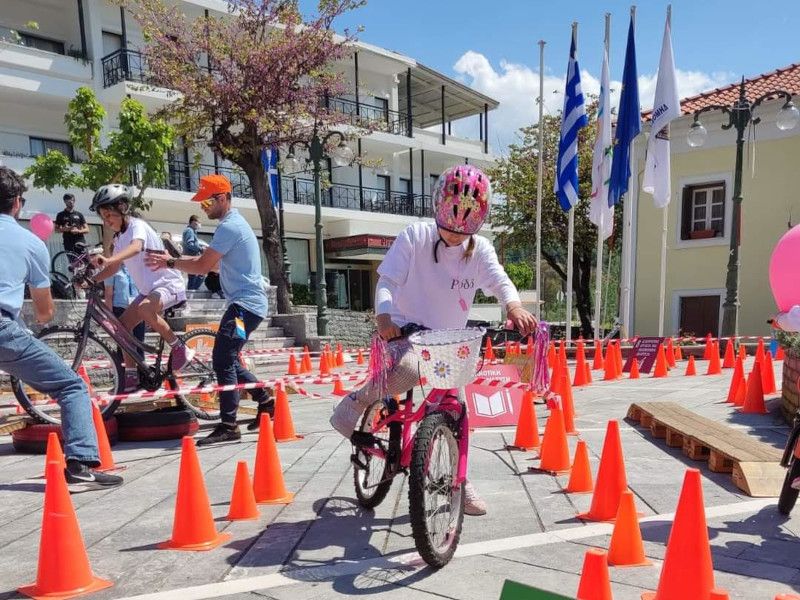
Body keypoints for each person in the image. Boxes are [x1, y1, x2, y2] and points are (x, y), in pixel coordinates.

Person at [330, 165, 537, 516]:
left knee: (457, 410)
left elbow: (500, 281)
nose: (455, 236)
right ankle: (355, 403)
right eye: (448, 227)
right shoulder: (415, 236)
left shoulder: (480, 249)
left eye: (463, 230)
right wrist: (383, 317)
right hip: (403, 332)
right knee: (408, 372)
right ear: (437, 209)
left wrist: (514, 306)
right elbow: (387, 283)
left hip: (448, 342)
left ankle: (459, 480)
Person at [0, 167, 122, 491]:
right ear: (17, 204)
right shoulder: (29, 243)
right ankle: (80, 466)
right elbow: (44, 311)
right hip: (3, 330)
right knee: (72, 388)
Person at [145, 174, 272, 446]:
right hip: (247, 307)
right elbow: (210, 264)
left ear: (223, 198)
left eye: (207, 203)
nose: (204, 208)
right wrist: (174, 261)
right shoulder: (233, 225)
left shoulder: (230, 227)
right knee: (230, 357)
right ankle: (265, 399)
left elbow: (202, 267)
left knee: (223, 359)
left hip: (244, 308)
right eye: (202, 205)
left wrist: (170, 264)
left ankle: (228, 425)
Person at [89, 184, 192, 392]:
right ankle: (132, 376)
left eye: (109, 215)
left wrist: (108, 260)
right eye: (103, 217)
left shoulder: (138, 226)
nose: (107, 221)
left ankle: (180, 347)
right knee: (121, 329)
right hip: (148, 290)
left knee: (145, 309)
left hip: (168, 284)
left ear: (123, 208)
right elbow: (114, 268)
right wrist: (92, 280)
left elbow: (135, 247)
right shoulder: (119, 240)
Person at [105, 262, 145, 358]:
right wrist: (110, 317)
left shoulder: (137, 268)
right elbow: (108, 294)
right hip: (120, 309)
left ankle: (142, 371)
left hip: (137, 308)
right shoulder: (112, 269)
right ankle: (123, 370)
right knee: (123, 344)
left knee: (139, 342)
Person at [182, 215, 205, 291]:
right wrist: (200, 249)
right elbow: (190, 244)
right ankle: (192, 291)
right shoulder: (190, 231)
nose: (199, 224)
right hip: (191, 257)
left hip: (190, 257)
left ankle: (192, 291)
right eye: (198, 222)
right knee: (200, 274)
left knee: (194, 275)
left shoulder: (190, 231)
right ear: (193, 222)